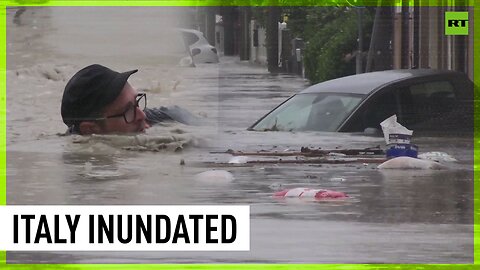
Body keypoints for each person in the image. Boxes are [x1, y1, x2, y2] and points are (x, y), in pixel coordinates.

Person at [61, 64, 198, 135]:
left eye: (137, 103)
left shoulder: (168, 117)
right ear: (90, 129)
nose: (142, 115)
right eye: (128, 111)